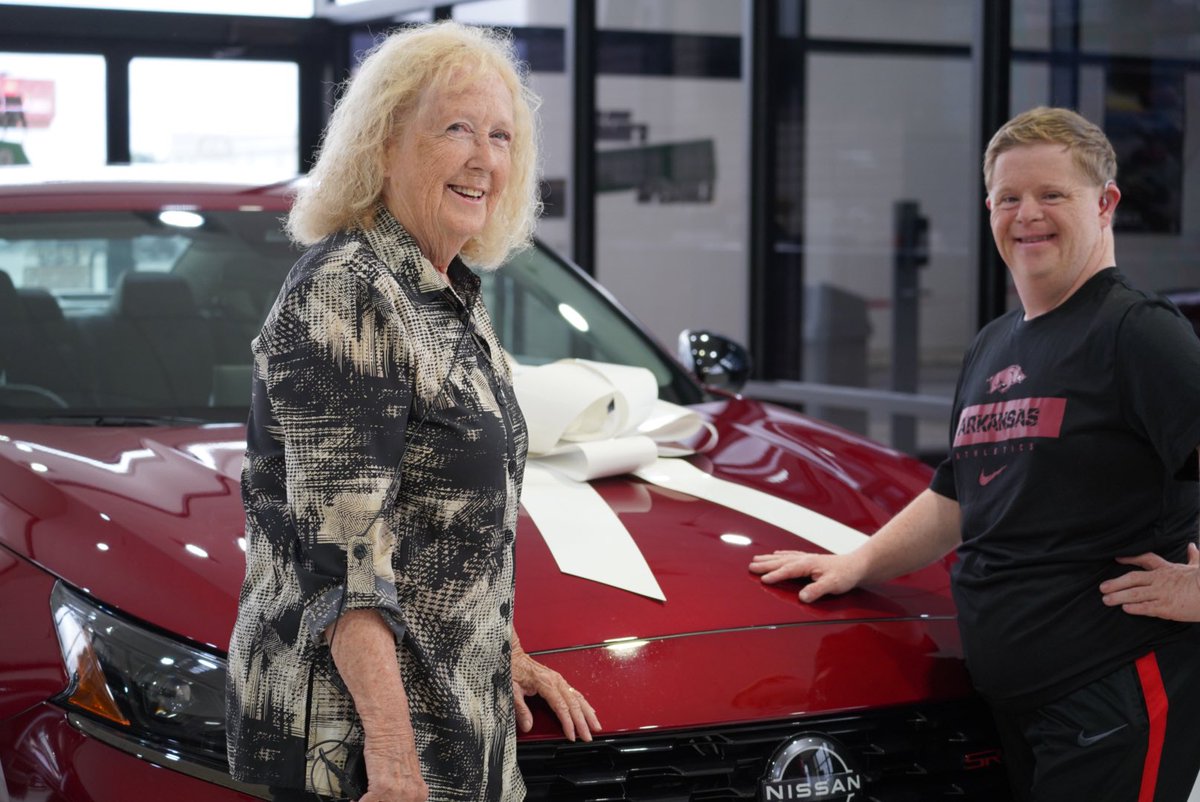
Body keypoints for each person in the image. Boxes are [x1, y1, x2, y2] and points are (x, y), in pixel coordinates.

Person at [750, 106, 1200, 802]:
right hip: (1013, 704)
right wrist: (858, 561)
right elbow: (957, 496)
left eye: (1053, 194)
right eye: (1010, 197)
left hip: (1111, 691)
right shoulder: (995, 344)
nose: (1029, 215)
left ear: (1105, 203)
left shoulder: (1136, 334)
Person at [226, 21, 599, 802]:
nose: (483, 158)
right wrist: (395, 764)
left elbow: (451, 528)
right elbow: (345, 561)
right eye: (455, 128)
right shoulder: (349, 291)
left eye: (500, 135)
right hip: (358, 748)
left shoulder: (445, 293)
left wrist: (506, 652)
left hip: (456, 714)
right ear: (384, 145)